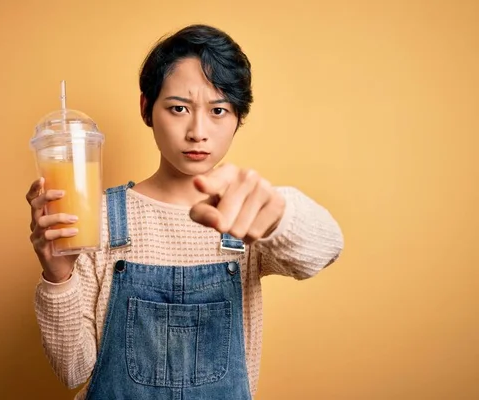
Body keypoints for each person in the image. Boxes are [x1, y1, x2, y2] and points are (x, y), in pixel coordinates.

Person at [26, 24, 344, 400]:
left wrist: (279, 214)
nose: (197, 131)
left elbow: (325, 249)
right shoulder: (101, 218)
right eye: (179, 108)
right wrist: (57, 275)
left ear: (238, 118)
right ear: (147, 108)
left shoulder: (244, 210)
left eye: (218, 110)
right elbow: (73, 370)